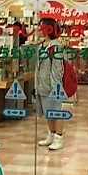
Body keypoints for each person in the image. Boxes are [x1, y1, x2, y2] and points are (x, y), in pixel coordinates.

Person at [35, 17, 65, 151]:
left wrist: (55, 88)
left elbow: (58, 69)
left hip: (52, 86)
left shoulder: (55, 47)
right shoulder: (42, 45)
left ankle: (59, 137)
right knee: (48, 112)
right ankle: (51, 134)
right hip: (42, 85)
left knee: (56, 112)